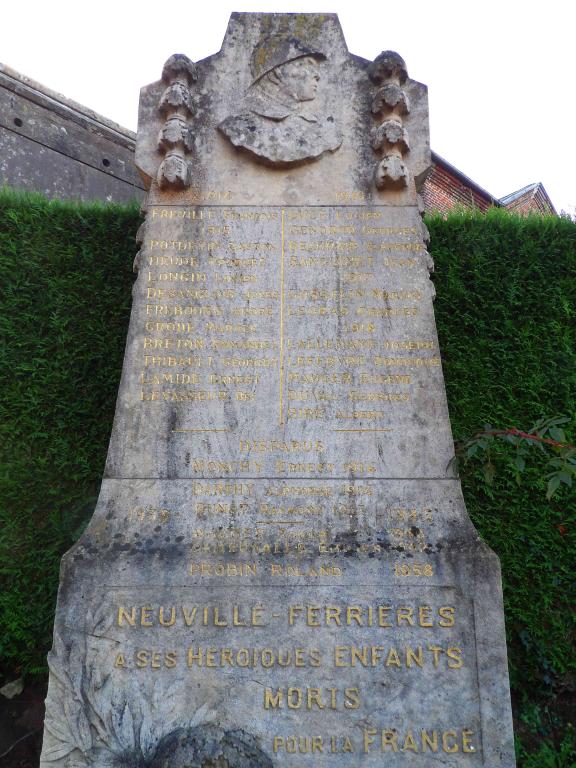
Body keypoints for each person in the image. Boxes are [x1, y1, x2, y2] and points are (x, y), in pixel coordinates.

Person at [219, 34, 342, 165]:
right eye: (308, 64)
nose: (317, 75)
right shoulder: (238, 127)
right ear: (278, 71)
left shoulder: (325, 130)